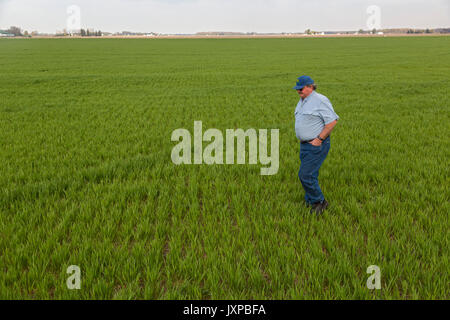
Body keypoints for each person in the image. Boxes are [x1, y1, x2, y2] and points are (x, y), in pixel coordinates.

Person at [293, 75, 339, 215]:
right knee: (310, 174)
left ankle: (320, 202)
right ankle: (310, 200)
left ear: (310, 87)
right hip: (305, 145)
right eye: (297, 89)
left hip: (316, 145)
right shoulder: (303, 101)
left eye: (301, 88)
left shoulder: (320, 100)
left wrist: (319, 139)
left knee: (305, 175)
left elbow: (332, 121)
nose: (298, 91)